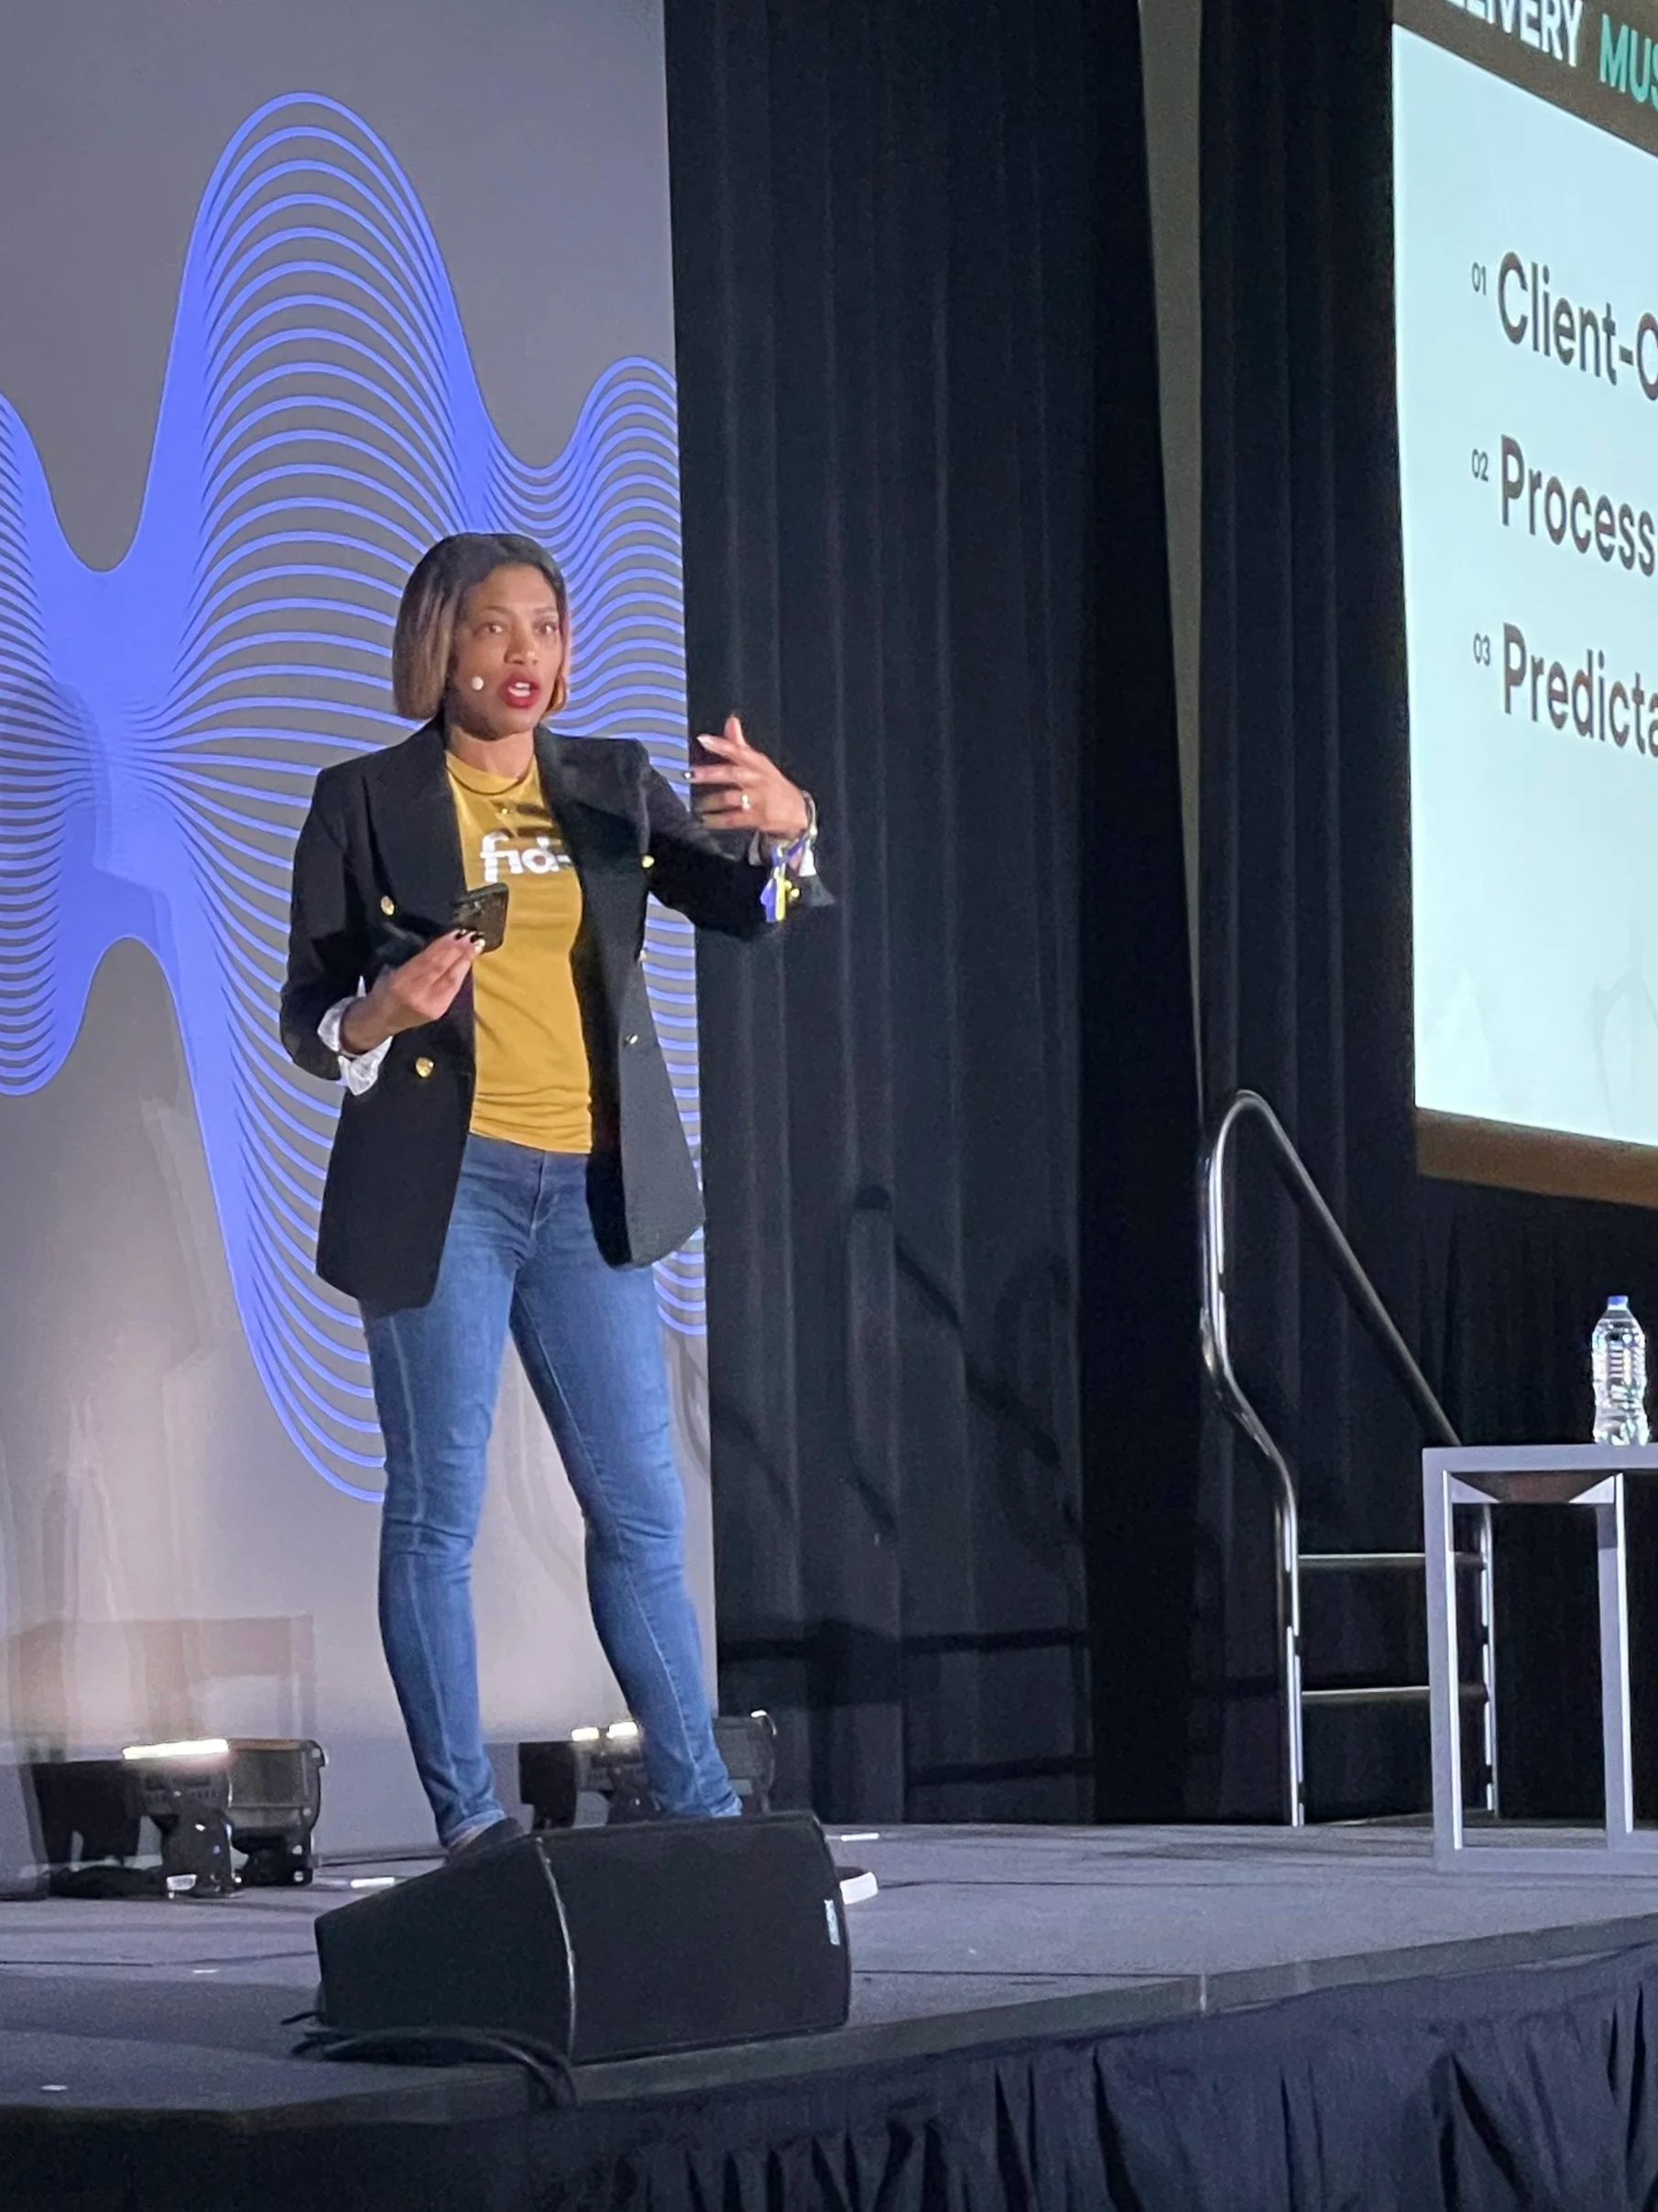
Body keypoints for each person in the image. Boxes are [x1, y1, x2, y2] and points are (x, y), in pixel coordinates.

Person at [280, 530, 821, 1854]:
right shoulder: (362, 799)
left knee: (638, 1508)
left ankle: (701, 1820)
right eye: (491, 628)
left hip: (594, 1194)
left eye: (545, 628)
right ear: (438, 645)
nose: (523, 655)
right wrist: (377, 1012)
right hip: (442, 1190)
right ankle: (472, 1833)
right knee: (437, 1510)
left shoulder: (608, 786)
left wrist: (794, 837)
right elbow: (306, 1022)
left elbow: (747, 912)